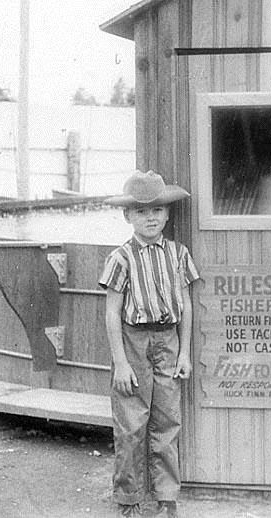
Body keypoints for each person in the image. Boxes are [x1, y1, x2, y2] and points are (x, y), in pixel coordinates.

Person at [99, 170, 200, 518]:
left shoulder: (178, 253)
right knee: (131, 424)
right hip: (133, 341)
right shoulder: (120, 258)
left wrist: (184, 352)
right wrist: (121, 362)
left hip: (169, 341)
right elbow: (112, 312)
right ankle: (128, 499)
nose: (151, 218)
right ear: (128, 216)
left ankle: (166, 498)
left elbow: (185, 305)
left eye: (157, 210)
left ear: (168, 214)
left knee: (167, 422)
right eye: (141, 212)